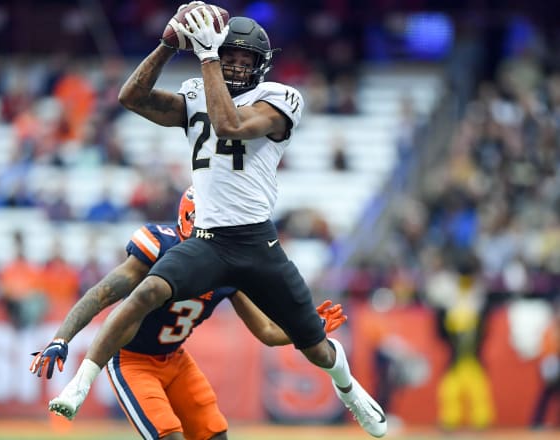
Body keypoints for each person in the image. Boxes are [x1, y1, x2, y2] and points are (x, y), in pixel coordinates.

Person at [48, 4, 387, 437]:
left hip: (257, 243)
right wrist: (166, 47)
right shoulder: (195, 93)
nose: (237, 66)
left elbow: (229, 125)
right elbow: (130, 98)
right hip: (208, 241)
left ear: (261, 66)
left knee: (318, 349)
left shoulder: (281, 99)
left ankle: (349, 390)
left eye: (246, 60)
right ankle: (81, 382)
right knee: (148, 289)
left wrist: (208, 56)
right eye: (231, 57)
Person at [31, 186, 347, 439]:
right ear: (191, 220)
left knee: (214, 435)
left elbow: (266, 331)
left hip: (175, 359)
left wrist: (309, 329)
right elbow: (101, 293)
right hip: (131, 361)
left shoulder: (231, 263)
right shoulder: (159, 246)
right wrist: (63, 337)